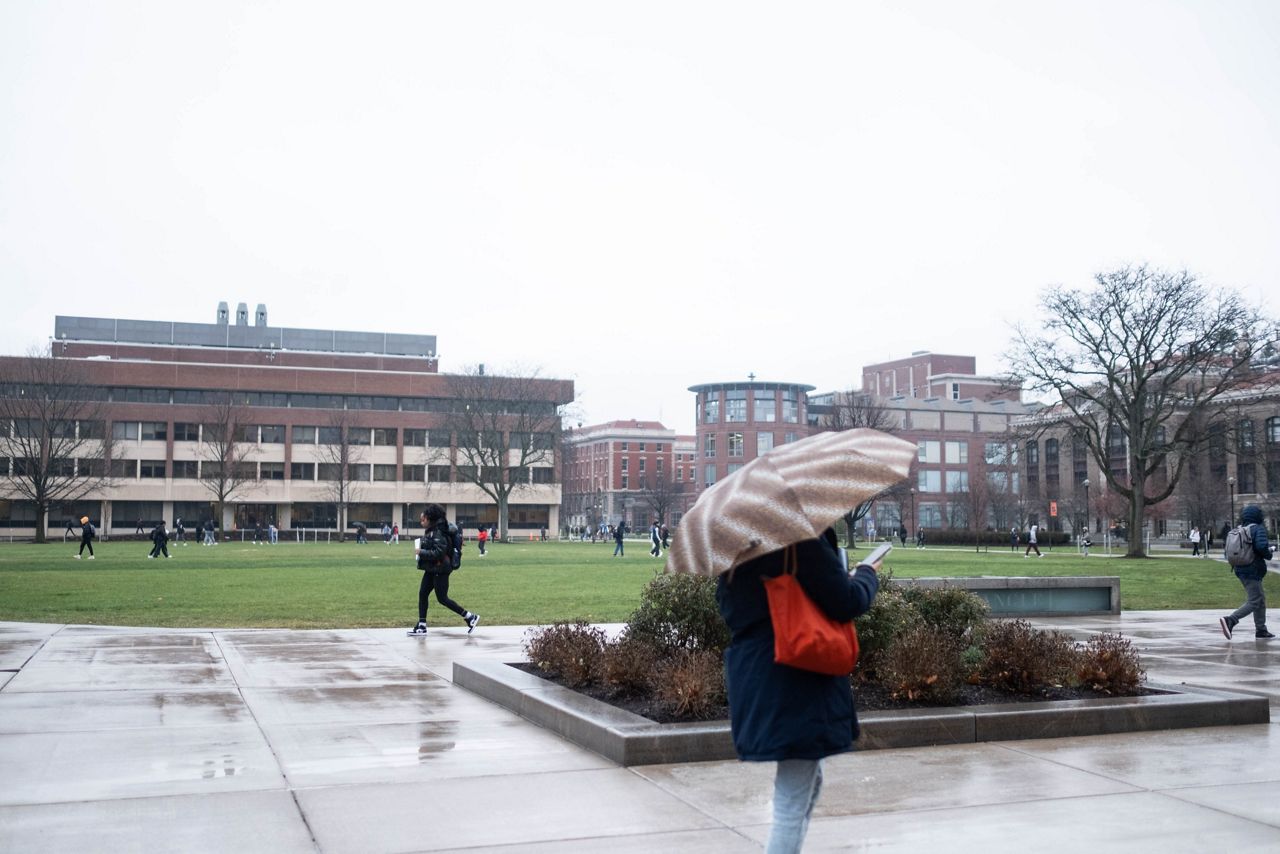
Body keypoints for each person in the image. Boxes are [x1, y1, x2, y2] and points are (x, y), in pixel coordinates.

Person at [717, 528, 882, 854]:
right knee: (791, 801)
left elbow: (730, 608)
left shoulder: (737, 543)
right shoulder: (799, 537)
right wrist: (866, 575)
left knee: (807, 780)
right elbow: (845, 601)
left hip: (759, 675)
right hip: (796, 679)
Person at [409, 504, 479, 635]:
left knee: (442, 598)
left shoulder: (438, 532)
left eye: (423, 519)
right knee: (423, 593)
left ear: (430, 518)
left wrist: (421, 552)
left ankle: (470, 617)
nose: (421, 522)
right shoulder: (433, 530)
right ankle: (422, 625)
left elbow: (439, 552)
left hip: (440, 569)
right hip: (432, 568)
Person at [1219, 504, 1275, 640]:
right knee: (1255, 600)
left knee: (1260, 599)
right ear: (1258, 516)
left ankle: (1261, 630)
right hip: (1252, 568)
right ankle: (1231, 620)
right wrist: (1269, 553)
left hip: (1240, 568)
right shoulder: (1257, 529)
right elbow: (1261, 547)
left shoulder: (1239, 529)